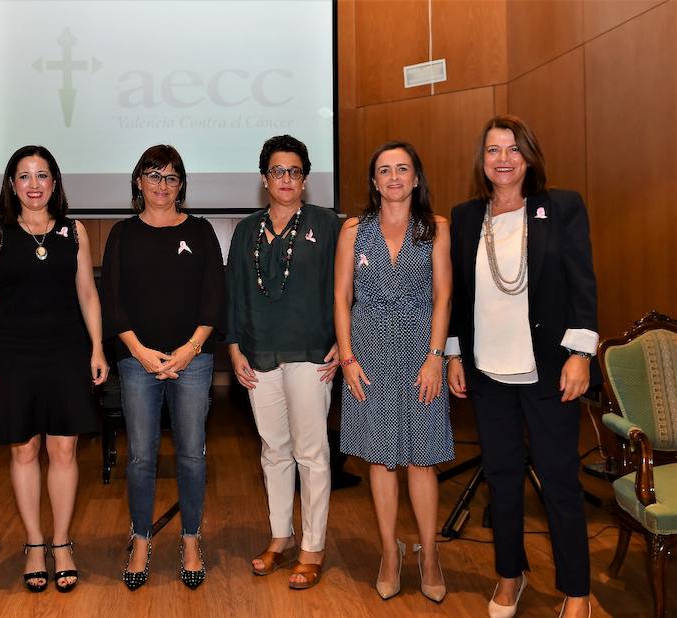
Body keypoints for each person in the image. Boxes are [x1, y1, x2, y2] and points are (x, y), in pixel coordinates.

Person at [446, 115, 598, 618]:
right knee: (503, 479)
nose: (503, 159)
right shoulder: (466, 217)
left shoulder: (562, 207)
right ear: (482, 160)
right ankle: (510, 576)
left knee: (559, 481)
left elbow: (582, 284)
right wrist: (453, 353)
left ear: (529, 156)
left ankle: (577, 591)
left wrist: (580, 353)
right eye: (493, 150)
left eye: (513, 149)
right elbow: (455, 296)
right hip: (488, 373)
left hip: (549, 372)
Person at [0, 145, 108, 594]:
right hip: (12, 353)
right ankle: (34, 543)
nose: (34, 184)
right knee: (24, 450)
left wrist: (98, 350)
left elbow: (88, 294)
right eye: (24, 176)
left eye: (42, 175)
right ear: (11, 184)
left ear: (55, 183)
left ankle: (62, 543)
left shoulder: (75, 231)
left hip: (66, 351)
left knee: (64, 451)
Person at [101, 144, 225, 591]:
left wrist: (191, 349)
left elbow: (215, 294)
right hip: (138, 362)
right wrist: (139, 351)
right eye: (154, 175)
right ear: (139, 181)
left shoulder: (202, 230)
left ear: (181, 185)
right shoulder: (122, 234)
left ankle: (191, 539)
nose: (162, 185)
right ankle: (141, 539)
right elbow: (111, 301)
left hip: (193, 360)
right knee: (141, 457)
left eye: (171, 177)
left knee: (192, 454)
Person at [335, 141, 454, 603]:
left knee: (422, 458)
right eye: (384, 170)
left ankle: (429, 556)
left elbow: (443, 296)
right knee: (380, 458)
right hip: (367, 354)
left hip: (420, 353)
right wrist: (347, 358)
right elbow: (341, 299)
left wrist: (435, 357)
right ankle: (390, 551)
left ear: (416, 177)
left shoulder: (436, 228)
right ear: (374, 181)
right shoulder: (353, 231)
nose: (394, 177)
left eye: (403, 169)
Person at [226, 134, 340, 590]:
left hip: (312, 355)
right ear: (264, 178)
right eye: (278, 171)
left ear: (306, 179)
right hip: (258, 355)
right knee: (273, 451)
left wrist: (343, 342)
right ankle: (281, 536)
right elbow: (233, 292)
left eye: (295, 171)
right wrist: (233, 348)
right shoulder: (246, 230)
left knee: (311, 454)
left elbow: (346, 286)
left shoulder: (328, 225)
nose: (286, 179)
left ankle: (312, 545)